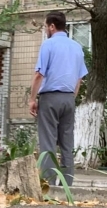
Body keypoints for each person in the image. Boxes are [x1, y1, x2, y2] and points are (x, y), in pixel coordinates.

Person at [28, 11, 88, 187]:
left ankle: (48, 184)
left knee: (48, 143)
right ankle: (67, 185)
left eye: (46, 26)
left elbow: (39, 74)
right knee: (67, 143)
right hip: (69, 98)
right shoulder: (77, 47)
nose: (46, 29)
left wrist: (32, 99)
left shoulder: (49, 45)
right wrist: (71, 97)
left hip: (50, 98)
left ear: (52, 26)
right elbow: (80, 78)